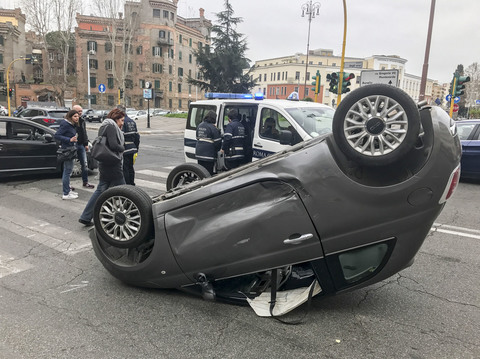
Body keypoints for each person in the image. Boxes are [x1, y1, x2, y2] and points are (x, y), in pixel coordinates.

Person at [78, 108, 126, 226]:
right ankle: (130, 213)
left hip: (105, 163)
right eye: (122, 120)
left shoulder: (104, 126)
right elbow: (114, 145)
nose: (122, 123)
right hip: (112, 164)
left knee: (101, 190)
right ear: (116, 119)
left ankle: (86, 216)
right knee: (125, 191)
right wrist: (123, 148)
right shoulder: (110, 127)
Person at [55, 110, 79, 200]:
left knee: (68, 171)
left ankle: (68, 190)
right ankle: (66, 193)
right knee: (67, 171)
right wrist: (69, 140)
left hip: (71, 149)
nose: (77, 118)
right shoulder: (66, 124)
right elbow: (57, 135)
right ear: (70, 117)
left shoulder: (71, 124)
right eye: (75, 116)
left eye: (77, 116)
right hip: (67, 150)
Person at [72, 104, 95, 189]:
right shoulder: (70, 121)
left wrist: (86, 144)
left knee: (84, 164)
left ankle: (85, 182)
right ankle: (68, 185)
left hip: (81, 144)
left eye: (81, 111)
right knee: (70, 165)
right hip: (73, 145)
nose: (80, 113)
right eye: (78, 111)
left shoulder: (82, 121)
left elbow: (84, 133)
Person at [118, 105, 140, 185]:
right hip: (133, 148)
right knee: (131, 167)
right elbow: (137, 136)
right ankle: (132, 183)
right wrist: (136, 148)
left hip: (125, 148)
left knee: (125, 168)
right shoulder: (132, 121)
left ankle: (127, 184)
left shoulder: (122, 122)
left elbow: (121, 137)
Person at [195, 110, 221, 175]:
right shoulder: (212, 127)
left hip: (199, 153)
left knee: (201, 171)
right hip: (208, 154)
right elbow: (218, 141)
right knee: (208, 173)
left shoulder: (200, 125)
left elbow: (197, 137)